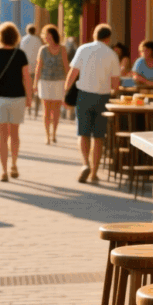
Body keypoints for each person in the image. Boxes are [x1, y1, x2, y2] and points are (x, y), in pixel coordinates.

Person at [64, 23, 120, 185]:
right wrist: (114, 93)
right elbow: (115, 84)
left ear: (94, 35)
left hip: (84, 95)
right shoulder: (112, 55)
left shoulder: (83, 49)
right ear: (108, 38)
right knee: (99, 136)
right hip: (102, 97)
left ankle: (85, 164)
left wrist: (65, 91)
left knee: (83, 133)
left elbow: (73, 73)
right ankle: (94, 172)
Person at [0, 21, 32, 183]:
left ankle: (3, 171)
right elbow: (26, 78)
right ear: (16, 37)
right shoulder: (20, 55)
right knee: (15, 134)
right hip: (17, 97)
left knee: (2, 136)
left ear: (0, 37)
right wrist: (30, 97)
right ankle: (14, 165)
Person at [35, 24, 69, 144]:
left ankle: (54, 133)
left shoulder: (62, 49)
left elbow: (66, 67)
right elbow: (39, 67)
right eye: (45, 35)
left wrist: (68, 84)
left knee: (56, 111)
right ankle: (47, 135)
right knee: (46, 110)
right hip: (45, 82)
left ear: (53, 36)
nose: (46, 38)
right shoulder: (43, 50)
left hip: (59, 82)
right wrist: (35, 84)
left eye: (48, 35)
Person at [20, 23, 43, 117]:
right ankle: (36, 109)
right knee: (36, 87)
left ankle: (28, 107)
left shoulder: (23, 40)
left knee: (26, 87)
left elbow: (22, 53)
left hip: (26, 67)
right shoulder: (38, 40)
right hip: (36, 67)